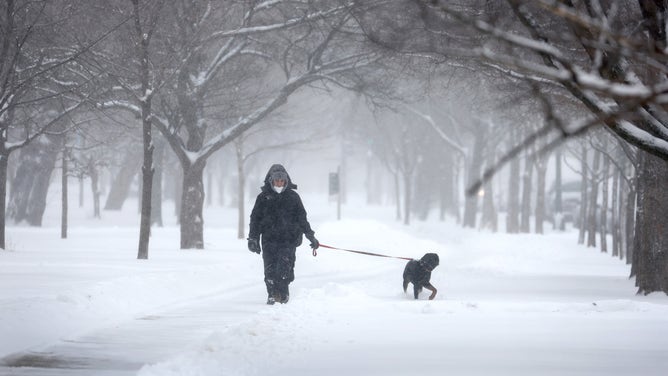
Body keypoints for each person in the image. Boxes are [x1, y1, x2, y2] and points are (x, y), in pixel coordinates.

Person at [247, 164, 319, 305]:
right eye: (276, 181)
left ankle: (283, 293)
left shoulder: (293, 198)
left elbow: (302, 219)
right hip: (269, 240)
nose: (279, 183)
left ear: (286, 181)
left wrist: (311, 236)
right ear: (271, 181)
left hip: (288, 240)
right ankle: (272, 294)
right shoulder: (263, 198)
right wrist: (253, 238)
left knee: (285, 268)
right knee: (270, 269)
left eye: (281, 181)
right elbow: (255, 219)